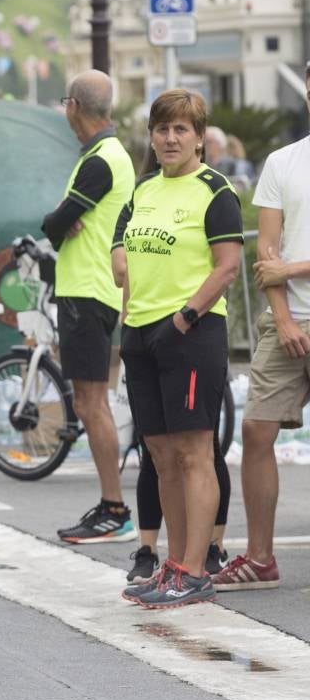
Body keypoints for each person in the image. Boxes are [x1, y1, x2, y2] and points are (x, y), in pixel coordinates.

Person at [115, 89, 242, 608]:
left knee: (194, 454)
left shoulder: (216, 191)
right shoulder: (144, 189)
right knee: (161, 456)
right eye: (162, 129)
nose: (170, 138)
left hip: (192, 333)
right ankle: (171, 564)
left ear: (197, 137)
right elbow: (122, 243)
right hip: (141, 333)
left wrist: (185, 317)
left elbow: (228, 266)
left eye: (181, 130)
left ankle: (194, 570)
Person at [212, 69, 310, 592]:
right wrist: (287, 316)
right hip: (285, 321)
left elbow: (281, 263)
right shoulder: (282, 161)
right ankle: (260, 557)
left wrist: (292, 270)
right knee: (255, 431)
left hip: (292, 291)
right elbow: (265, 251)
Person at [41, 71, 137, 544]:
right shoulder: (109, 157)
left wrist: (56, 220)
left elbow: (57, 222)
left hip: (86, 290)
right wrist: (62, 221)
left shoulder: (101, 160)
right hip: (97, 290)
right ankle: (112, 504)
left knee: (91, 403)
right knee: (90, 401)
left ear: (73, 105)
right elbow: (65, 222)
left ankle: (114, 506)